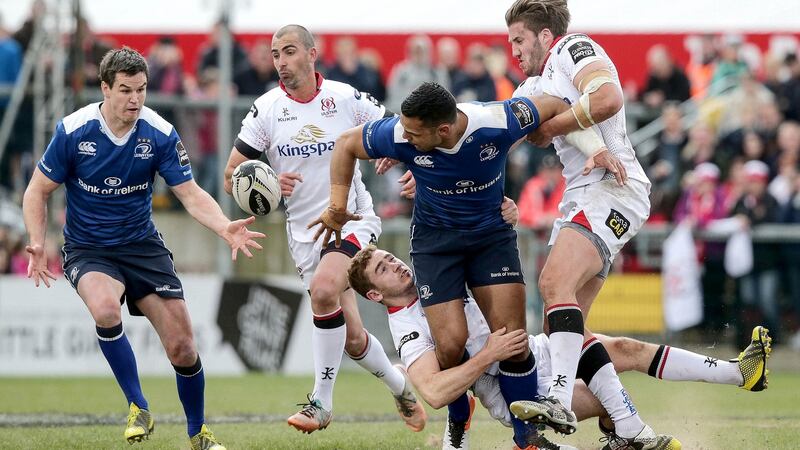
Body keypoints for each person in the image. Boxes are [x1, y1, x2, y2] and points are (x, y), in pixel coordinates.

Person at [309, 80, 616, 448]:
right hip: (436, 245)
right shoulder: (399, 134)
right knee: (451, 343)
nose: (402, 137)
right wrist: (337, 207)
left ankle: (527, 440)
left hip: (491, 238)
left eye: (412, 133)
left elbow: (553, 104)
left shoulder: (498, 120)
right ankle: (459, 415)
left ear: (443, 129)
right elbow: (346, 144)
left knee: (514, 342)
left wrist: (554, 135)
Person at [22, 47, 265, 450]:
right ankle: (138, 405)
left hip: (142, 246)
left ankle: (198, 434)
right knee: (104, 309)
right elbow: (37, 190)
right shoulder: (73, 130)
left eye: (142, 90)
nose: (135, 99)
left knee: (183, 347)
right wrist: (35, 240)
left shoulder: (160, 133)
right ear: (104, 88)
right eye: (125, 90)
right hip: (89, 248)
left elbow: (189, 193)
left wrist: (225, 227)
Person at [346, 245, 772, 449]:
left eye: (390, 256)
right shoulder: (407, 330)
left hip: (529, 349)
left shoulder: (430, 280)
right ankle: (623, 435)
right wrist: (489, 354)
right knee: (592, 366)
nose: (396, 263)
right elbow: (434, 393)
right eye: (384, 268)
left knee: (612, 345)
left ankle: (740, 373)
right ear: (375, 297)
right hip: (508, 383)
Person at [221, 24, 426, 434]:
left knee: (325, 289)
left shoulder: (345, 99)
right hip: (305, 236)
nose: (281, 62)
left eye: (289, 51)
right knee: (351, 338)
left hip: (353, 221)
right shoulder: (266, 110)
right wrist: (265, 182)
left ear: (312, 55)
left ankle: (321, 402)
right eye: (275, 54)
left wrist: (413, 166)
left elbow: (404, 132)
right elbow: (230, 175)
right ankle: (402, 387)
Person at [505, 1, 679, 448]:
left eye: (519, 40)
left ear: (546, 36)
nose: (514, 51)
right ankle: (632, 430)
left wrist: (560, 127)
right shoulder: (531, 85)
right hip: (583, 193)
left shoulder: (572, 48)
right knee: (566, 325)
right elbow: (506, 129)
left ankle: (560, 400)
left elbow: (607, 98)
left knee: (552, 281)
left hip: (612, 188)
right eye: (510, 43)